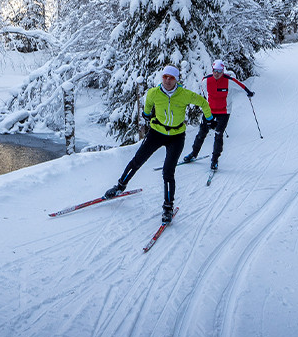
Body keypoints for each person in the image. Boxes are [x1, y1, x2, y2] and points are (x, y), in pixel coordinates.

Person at [104, 65, 213, 223]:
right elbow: (148, 105)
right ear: (162, 77)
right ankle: (120, 186)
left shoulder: (185, 95)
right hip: (156, 133)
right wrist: (147, 115)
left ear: (177, 80)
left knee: (168, 172)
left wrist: (209, 119)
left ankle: (168, 208)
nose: (168, 80)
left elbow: (203, 102)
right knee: (137, 160)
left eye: (171, 78)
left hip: (176, 136)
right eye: (165, 77)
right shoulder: (154, 93)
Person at [181, 59, 253, 171]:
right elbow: (205, 93)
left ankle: (214, 160)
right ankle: (193, 154)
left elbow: (242, 86)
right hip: (209, 111)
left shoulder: (229, 80)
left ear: (223, 71)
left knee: (218, 134)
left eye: (219, 71)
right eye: (215, 71)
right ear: (212, 70)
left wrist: (249, 93)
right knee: (201, 132)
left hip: (224, 112)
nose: (217, 73)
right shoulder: (205, 81)